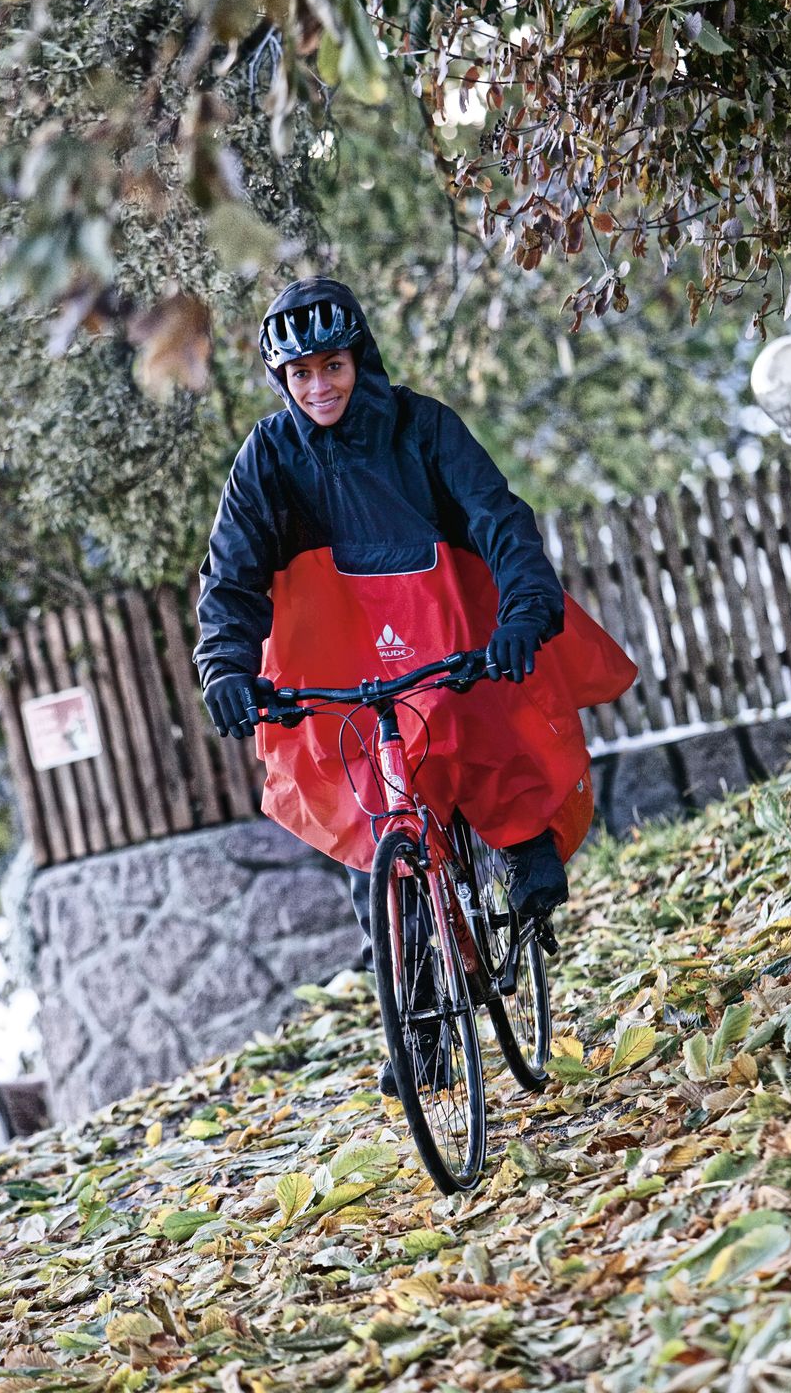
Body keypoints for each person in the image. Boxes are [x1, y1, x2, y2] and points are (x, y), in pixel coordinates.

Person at [193, 277, 637, 1085]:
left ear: (358, 359)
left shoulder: (424, 425)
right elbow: (231, 573)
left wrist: (524, 613)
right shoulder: (268, 455)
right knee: (380, 818)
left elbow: (499, 520)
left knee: (485, 721)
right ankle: (420, 1014)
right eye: (300, 375)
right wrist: (224, 665)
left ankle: (526, 849)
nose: (318, 387)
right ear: (281, 381)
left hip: (441, 618)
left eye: (331, 366)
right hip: (335, 643)